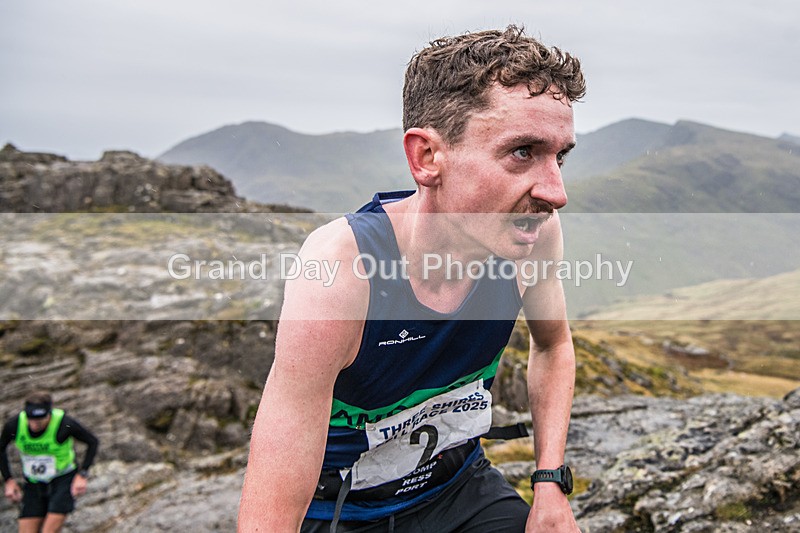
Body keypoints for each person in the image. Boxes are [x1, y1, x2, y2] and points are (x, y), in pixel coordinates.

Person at [239, 25, 586, 532]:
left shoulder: (534, 236)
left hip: (460, 490)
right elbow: (274, 486)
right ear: (427, 158)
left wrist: (549, 481)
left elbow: (553, 346)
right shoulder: (342, 271)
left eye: (561, 156)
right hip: (342, 516)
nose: (556, 193)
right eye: (522, 153)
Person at [1, 391, 99, 533]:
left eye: (40, 419)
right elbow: (1, 448)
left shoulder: (65, 424)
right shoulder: (14, 425)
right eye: (31, 419)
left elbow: (92, 442)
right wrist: (9, 480)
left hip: (63, 480)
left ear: (49, 414)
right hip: (34, 482)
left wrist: (82, 475)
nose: (35, 423)